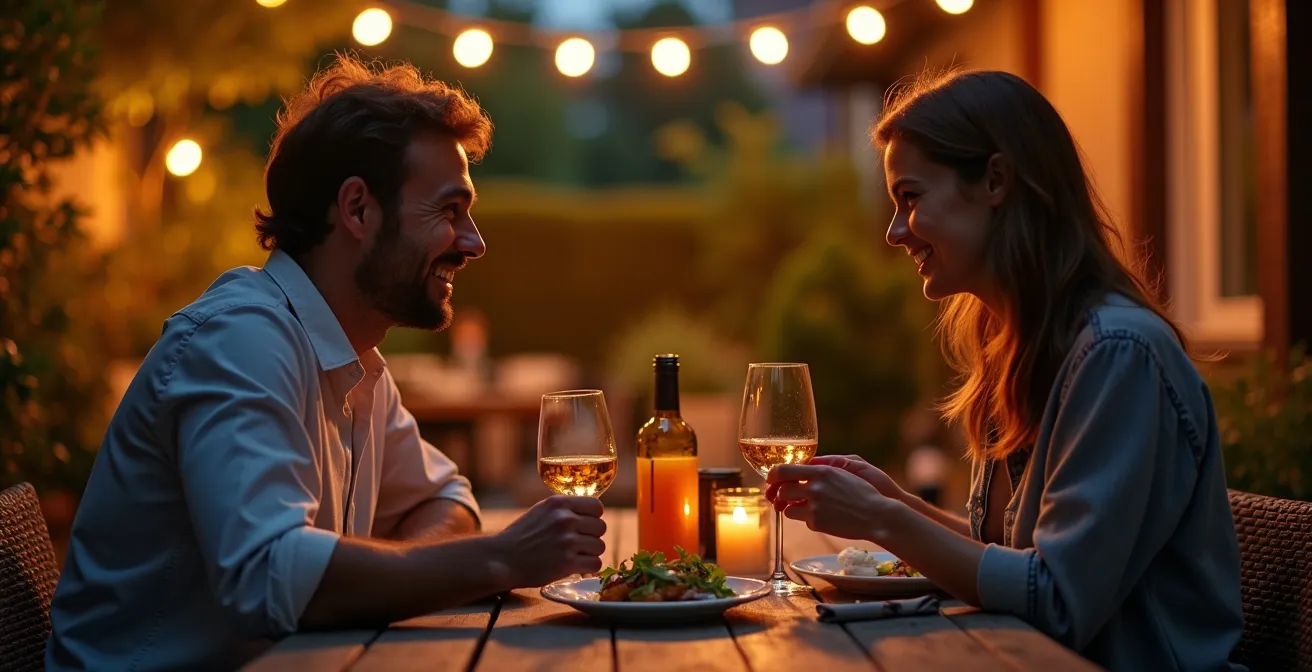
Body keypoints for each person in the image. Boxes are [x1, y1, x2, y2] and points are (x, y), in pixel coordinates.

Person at [46, 56, 607, 672]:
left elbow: (447, 498)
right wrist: (500, 559)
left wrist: (388, 583)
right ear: (358, 209)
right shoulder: (242, 341)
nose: (474, 242)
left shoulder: (353, 360)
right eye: (449, 211)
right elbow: (270, 576)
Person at [765, 70, 1246, 670]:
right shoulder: (1018, 348)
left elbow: (1057, 602)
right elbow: (1007, 561)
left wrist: (883, 520)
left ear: (996, 180)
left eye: (909, 197)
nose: (893, 232)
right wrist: (896, 501)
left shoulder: (1119, 355)